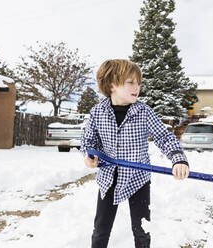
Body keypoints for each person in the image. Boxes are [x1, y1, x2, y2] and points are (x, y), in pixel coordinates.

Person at [81, 59, 189, 248]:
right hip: (109, 179)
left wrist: (178, 159)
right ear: (112, 84)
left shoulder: (144, 112)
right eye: (130, 82)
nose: (137, 87)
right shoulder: (97, 112)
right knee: (100, 231)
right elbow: (89, 140)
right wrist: (90, 156)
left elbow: (164, 137)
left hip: (138, 178)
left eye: (139, 83)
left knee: (142, 231)